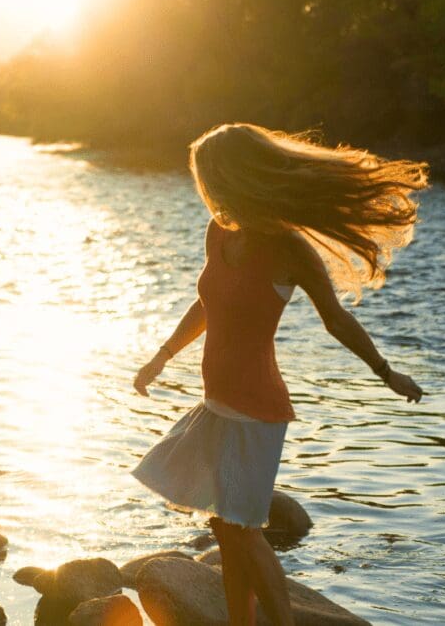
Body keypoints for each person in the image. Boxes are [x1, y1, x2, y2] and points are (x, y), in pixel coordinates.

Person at [131, 123, 427, 625]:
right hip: (216, 405)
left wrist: (385, 371)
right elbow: (207, 303)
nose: (205, 189)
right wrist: (162, 355)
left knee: (243, 529)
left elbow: (336, 319)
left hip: (256, 411)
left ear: (233, 177)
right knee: (225, 531)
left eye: (209, 177)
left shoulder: (287, 249)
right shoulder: (219, 231)